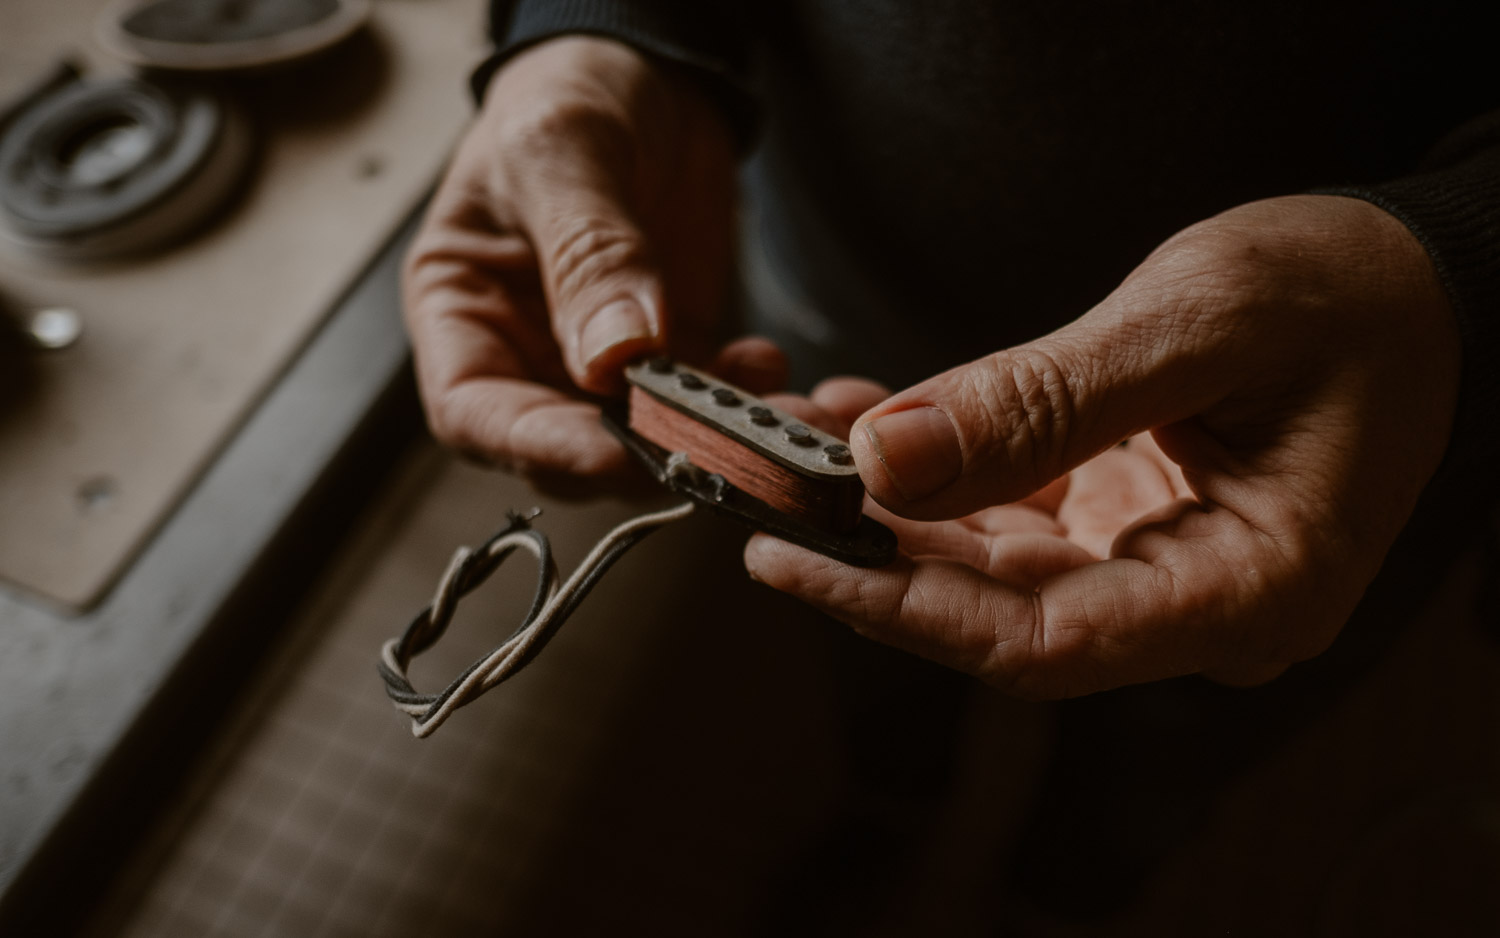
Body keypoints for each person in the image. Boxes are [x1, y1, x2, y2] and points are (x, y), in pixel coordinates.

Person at [402, 1, 1497, 698]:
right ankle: (894, 809)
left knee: (1206, 707)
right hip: (835, 290)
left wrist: (1462, 268)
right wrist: (596, 24)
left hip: (1343, 406)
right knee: (878, 631)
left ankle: (1079, 885)